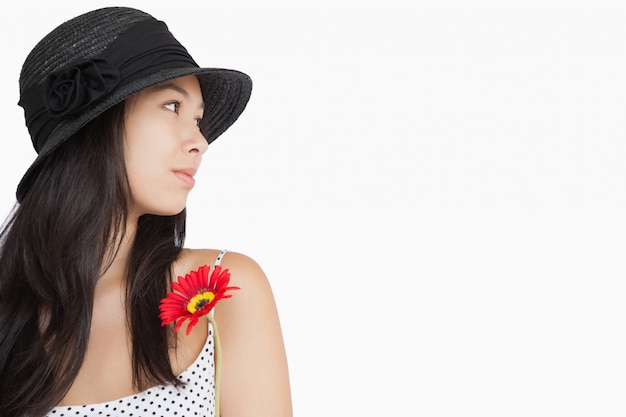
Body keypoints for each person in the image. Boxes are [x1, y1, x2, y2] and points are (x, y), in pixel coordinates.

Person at [0, 6, 292, 417]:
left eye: (198, 119)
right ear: (97, 124)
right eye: (173, 106)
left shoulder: (223, 289)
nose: (199, 142)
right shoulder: (11, 319)